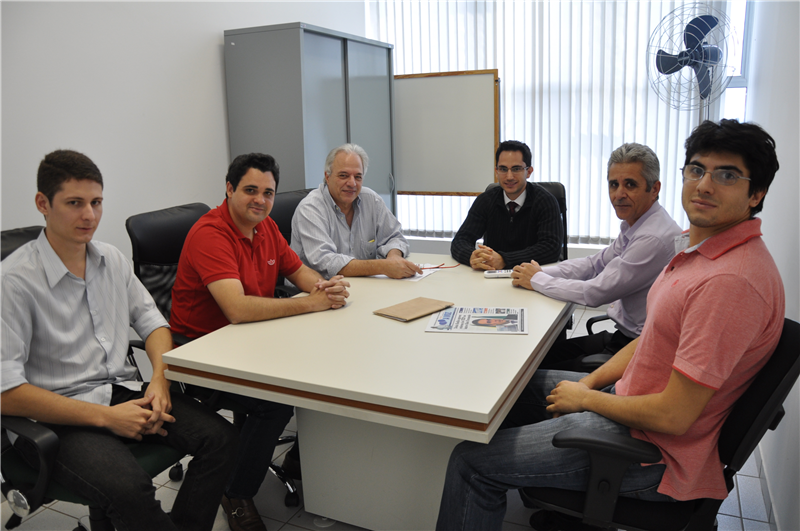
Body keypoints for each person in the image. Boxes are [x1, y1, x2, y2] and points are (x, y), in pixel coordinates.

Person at [436, 119, 785, 530]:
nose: (704, 185)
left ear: (756, 193)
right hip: (628, 406)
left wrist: (587, 399)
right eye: (696, 170)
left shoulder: (729, 282)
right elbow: (651, 337)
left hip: (648, 450)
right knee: (509, 386)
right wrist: (587, 384)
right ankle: (529, 474)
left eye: (726, 175)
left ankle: (502, 476)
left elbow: (674, 416)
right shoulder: (701, 252)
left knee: (468, 463)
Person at [0, 149, 238, 531]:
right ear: (42, 204)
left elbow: (153, 323)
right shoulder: (12, 282)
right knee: (131, 490)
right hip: (55, 417)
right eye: (74, 203)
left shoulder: (110, 259)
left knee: (222, 440)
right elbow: (6, 392)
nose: (89, 215)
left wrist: (159, 379)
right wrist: (107, 418)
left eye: (96, 202)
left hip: (119, 391)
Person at [169, 153, 351, 531]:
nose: (260, 200)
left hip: (252, 341)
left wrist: (323, 286)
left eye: (268, 193)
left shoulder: (264, 226)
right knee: (276, 399)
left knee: (327, 368)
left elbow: (296, 269)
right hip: (205, 351)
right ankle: (235, 491)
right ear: (229, 188)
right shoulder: (210, 234)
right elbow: (235, 309)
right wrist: (312, 305)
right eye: (250, 190)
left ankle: (301, 459)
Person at [511, 143, 682, 370]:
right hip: (622, 336)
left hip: (635, 350)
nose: (619, 194)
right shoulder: (638, 224)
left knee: (532, 370)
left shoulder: (652, 238)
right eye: (614, 184)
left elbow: (595, 292)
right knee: (536, 356)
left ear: (655, 188)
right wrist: (538, 272)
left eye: (630, 184)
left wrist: (536, 280)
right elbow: (595, 264)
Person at [291, 143, 422, 279]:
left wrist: (393, 257)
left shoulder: (371, 200)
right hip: (314, 291)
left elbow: (394, 236)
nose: (352, 183)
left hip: (361, 286)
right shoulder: (310, 209)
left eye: (358, 177)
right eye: (343, 175)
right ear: (327, 177)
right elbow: (326, 262)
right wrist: (384, 267)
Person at [450, 140, 563, 270]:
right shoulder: (486, 200)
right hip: (490, 275)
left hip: (531, 277)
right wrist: (472, 256)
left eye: (516, 169)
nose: (509, 177)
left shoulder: (545, 201)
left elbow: (550, 248)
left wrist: (504, 260)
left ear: (529, 171)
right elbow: (460, 240)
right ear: (496, 171)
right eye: (503, 169)